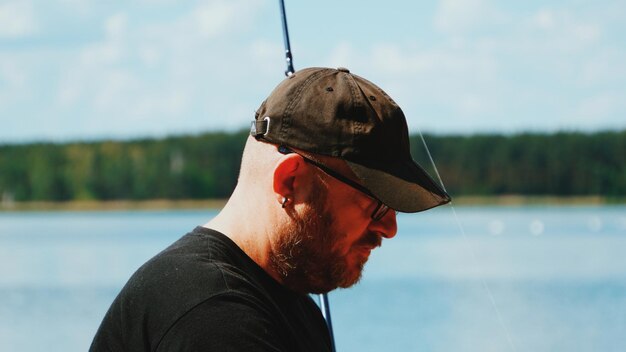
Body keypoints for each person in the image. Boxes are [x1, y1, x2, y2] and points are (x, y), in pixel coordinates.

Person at [90, 67, 450, 351]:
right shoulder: (215, 317)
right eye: (377, 205)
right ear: (290, 181)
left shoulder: (288, 304)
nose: (389, 228)